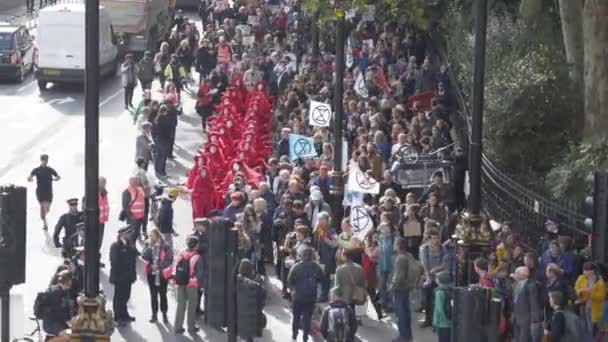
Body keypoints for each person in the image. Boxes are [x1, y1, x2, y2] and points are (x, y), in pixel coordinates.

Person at [287, 247, 324, 342]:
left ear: (302, 256)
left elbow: (289, 280)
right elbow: (322, 279)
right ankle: (305, 338)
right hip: (311, 297)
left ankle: (294, 337)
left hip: (298, 296)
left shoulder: (296, 267)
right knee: (307, 319)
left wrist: (292, 291)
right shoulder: (316, 267)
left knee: (296, 317)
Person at [173, 235, 205, 335]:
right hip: (191, 285)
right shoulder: (197, 257)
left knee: (180, 305)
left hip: (180, 283)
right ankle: (191, 328)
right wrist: (200, 284)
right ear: (195, 246)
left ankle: (177, 327)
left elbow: (175, 267)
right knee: (191, 306)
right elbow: (200, 274)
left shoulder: (182, 253)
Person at [141, 228, 173, 324]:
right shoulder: (148, 244)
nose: (150, 237)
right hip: (151, 274)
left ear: (157, 235)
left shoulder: (166, 246)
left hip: (162, 275)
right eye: (150, 236)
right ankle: (154, 314)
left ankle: (164, 314)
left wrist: (158, 266)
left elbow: (169, 260)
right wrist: (149, 247)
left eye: (152, 236)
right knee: (153, 295)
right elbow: (144, 256)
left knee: (163, 295)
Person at [390, 237, 419, 342]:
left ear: (398, 246)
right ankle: (408, 335)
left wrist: (392, 286)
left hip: (400, 289)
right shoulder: (409, 255)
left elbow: (399, 277)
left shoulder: (400, 259)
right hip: (407, 287)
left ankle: (403, 336)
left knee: (400, 313)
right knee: (406, 312)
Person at [110, 226, 139, 326]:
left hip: (128, 277)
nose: (129, 235)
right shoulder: (116, 246)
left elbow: (135, 257)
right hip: (120, 277)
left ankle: (124, 314)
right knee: (119, 297)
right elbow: (114, 261)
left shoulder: (129, 245)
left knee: (126, 296)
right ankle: (118, 317)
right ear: (122, 235)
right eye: (128, 233)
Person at [28, 154, 60, 230]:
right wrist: (30, 179)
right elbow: (30, 177)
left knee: (47, 208)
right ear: (41, 160)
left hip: (49, 191)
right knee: (42, 206)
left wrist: (56, 179)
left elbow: (57, 176)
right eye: (44, 160)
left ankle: (44, 217)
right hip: (40, 191)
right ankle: (45, 223)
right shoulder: (36, 170)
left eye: (46, 160)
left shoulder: (50, 169)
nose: (45, 161)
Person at [512, 266, 543, 342]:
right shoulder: (516, 284)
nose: (515, 275)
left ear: (522, 275)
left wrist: (534, 320)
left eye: (517, 273)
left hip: (526, 319)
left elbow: (534, 303)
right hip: (516, 318)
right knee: (517, 339)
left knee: (524, 339)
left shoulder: (531, 286)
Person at [575, 261, 606, 335]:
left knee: (592, 327)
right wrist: (580, 291)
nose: (586, 273)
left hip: (595, 308)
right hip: (583, 305)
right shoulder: (581, 278)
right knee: (584, 325)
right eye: (585, 270)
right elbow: (576, 288)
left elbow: (601, 296)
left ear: (593, 271)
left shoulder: (599, 281)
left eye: (588, 271)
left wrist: (591, 293)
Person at [41, 270, 73, 341]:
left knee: (73, 335)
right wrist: (67, 321)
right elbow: (57, 311)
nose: (71, 282)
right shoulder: (55, 292)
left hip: (58, 322)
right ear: (67, 281)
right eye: (70, 280)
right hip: (50, 323)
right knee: (67, 336)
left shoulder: (64, 292)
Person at [121, 176, 147, 241]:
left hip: (141, 216)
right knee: (134, 233)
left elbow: (143, 200)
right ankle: (128, 243)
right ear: (130, 182)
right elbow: (125, 206)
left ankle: (131, 244)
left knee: (136, 232)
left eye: (136, 181)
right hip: (133, 217)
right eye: (135, 181)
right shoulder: (126, 192)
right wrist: (130, 215)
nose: (137, 182)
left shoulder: (140, 189)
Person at [432, 271, 453, 342]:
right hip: (450, 321)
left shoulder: (439, 292)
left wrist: (435, 322)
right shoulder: (450, 290)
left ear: (439, 281)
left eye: (436, 278)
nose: (435, 279)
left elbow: (439, 309)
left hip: (442, 322)